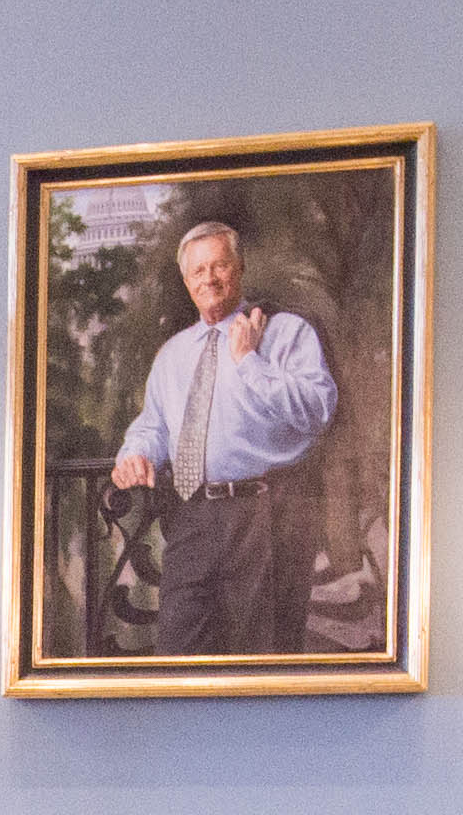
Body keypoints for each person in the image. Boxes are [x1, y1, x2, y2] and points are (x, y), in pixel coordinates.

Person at [101, 216, 335, 657]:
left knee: (260, 660)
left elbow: (318, 410)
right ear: (186, 281)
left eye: (219, 265)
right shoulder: (173, 355)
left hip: (266, 513)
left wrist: (249, 362)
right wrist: (136, 453)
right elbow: (154, 426)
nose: (209, 278)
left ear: (239, 268)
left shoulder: (285, 332)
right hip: (192, 515)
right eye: (198, 270)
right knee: (179, 655)